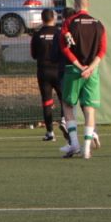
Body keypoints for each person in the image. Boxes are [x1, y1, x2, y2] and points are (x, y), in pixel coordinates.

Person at [59, 0, 107, 160]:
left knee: (67, 105)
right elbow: (102, 50)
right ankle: (86, 149)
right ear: (88, 5)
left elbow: (64, 48)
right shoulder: (98, 24)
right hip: (92, 72)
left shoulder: (69, 23)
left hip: (73, 71)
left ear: (76, 5)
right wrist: (90, 68)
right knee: (89, 109)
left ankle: (74, 143)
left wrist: (80, 67)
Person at [29, 8, 66, 142]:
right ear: (53, 18)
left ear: (42, 19)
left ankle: (50, 132)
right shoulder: (59, 33)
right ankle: (64, 121)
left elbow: (33, 55)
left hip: (43, 72)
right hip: (58, 71)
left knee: (47, 102)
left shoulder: (37, 35)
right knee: (64, 99)